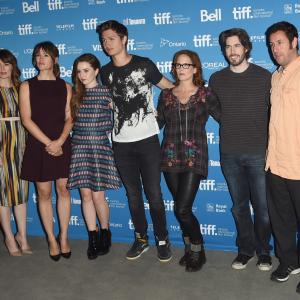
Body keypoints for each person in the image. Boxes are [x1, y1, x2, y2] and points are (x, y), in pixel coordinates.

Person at [96, 20, 174, 262]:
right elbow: (112, 101)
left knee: (154, 194)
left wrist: (160, 117)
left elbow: (169, 88)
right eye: (103, 40)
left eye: (111, 38)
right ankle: (141, 238)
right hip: (121, 143)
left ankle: (162, 238)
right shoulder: (105, 73)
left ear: (124, 39)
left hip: (148, 141)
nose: (106, 44)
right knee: (133, 195)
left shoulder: (144, 65)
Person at [209, 28, 272, 271]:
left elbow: (273, 112)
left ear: (246, 48)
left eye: (236, 46)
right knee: (239, 207)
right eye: (227, 46)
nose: (232, 51)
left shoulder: (264, 77)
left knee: (264, 209)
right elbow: (213, 108)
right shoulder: (217, 78)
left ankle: (264, 251)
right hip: (229, 153)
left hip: (258, 153)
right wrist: (228, 119)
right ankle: (245, 251)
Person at [157, 50, 220, 271]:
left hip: (195, 157)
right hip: (170, 158)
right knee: (179, 207)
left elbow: (225, 118)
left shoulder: (205, 94)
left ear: (195, 68)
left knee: (182, 209)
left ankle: (197, 248)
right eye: (178, 65)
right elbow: (156, 124)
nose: (182, 68)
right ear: (174, 68)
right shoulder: (165, 95)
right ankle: (188, 247)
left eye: (187, 65)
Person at [19, 41, 73, 261]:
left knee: (63, 191)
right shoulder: (26, 86)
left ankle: (64, 237)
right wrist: (49, 143)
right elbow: (26, 119)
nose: (41, 59)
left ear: (55, 59)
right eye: (38, 55)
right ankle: (51, 238)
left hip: (62, 145)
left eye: (46, 55)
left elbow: (70, 117)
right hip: (39, 146)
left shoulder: (66, 86)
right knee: (44, 193)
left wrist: (59, 141)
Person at [68, 53, 122, 259]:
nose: (82, 75)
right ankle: (93, 236)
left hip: (99, 146)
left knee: (99, 195)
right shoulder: (74, 95)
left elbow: (120, 116)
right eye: (79, 71)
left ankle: (105, 233)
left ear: (96, 71)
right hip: (80, 146)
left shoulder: (107, 93)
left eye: (86, 70)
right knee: (85, 195)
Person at [265, 22, 300, 287]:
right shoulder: (276, 76)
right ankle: (289, 261)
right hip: (275, 163)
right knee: (281, 219)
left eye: (279, 42)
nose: (275, 48)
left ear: (294, 42)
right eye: (271, 44)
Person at [0, 49, 31, 256]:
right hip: (1, 144)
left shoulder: (22, 88)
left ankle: (23, 236)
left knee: (21, 193)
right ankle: (10, 238)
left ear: (13, 66)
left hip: (21, 144)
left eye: (6, 64)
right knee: (3, 194)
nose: (2, 69)